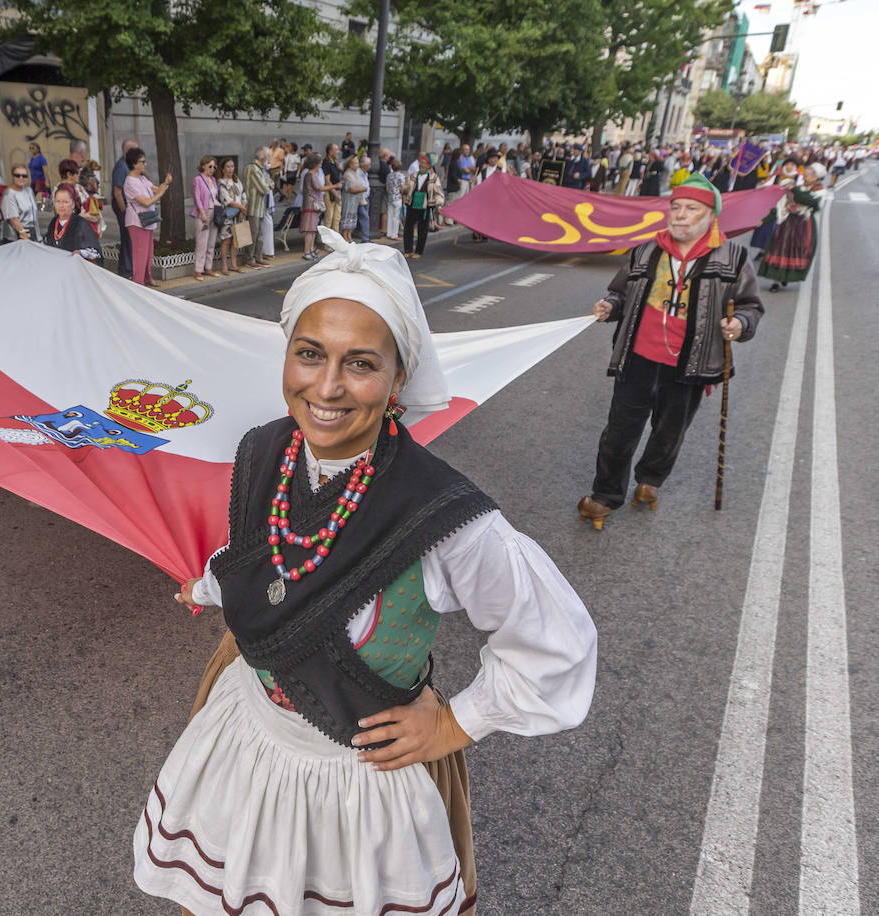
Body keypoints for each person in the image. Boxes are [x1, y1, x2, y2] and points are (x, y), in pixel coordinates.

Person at [135, 226, 597, 916]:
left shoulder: (442, 515)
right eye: (310, 354)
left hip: (357, 782)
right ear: (286, 354)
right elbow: (260, 556)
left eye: (360, 364)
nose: (327, 387)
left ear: (397, 376)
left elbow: (558, 642)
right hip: (249, 734)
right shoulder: (265, 449)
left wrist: (458, 721)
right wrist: (205, 585)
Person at [578, 174, 763, 529]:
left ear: (711, 216)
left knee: (669, 430)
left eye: (691, 209)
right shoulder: (646, 251)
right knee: (619, 430)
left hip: (690, 365)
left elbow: (750, 307)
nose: (679, 215)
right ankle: (604, 497)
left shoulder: (735, 258)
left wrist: (739, 323)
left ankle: (649, 481)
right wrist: (609, 305)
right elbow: (620, 293)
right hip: (637, 359)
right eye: (675, 207)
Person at [758, 162, 825, 292]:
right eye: (806, 173)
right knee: (780, 249)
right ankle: (776, 281)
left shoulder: (820, 191)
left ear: (816, 178)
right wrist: (763, 220)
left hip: (804, 225)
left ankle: (786, 276)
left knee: (797, 250)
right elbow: (780, 206)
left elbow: (809, 201)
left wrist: (793, 189)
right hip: (787, 223)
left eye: (810, 174)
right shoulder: (796, 188)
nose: (806, 176)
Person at [123, 147, 172, 287]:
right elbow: (146, 202)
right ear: (134, 164)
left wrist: (166, 182)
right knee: (140, 253)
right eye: (142, 161)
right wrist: (160, 194)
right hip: (137, 221)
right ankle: (138, 283)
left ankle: (147, 277)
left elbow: (157, 189)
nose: (145, 164)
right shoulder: (130, 182)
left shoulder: (142, 178)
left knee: (148, 252)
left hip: (147, 220)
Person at [42, 185, 101, 261]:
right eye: (58, 201)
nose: (61, 205)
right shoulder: (53, 222)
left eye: (65, 202)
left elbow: (96, 251)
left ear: (73, 204)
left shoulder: (81, 223)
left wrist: (81, 252)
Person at [402, 155, 442, 259]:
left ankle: (419, 251)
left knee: (422, 229)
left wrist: (438, 203)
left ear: (429, 166)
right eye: (421, 163)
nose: (422, 165)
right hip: (412, 204)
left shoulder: (434, 178)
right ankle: (408, 250)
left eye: (425, 163)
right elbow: (407, 187)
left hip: (425, 206)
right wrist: (403, 189)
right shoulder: (413, 176)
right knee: (408, 228)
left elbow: (438, 192)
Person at [216, 157, 250, 273]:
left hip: (239, 215)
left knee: (236, 240)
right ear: (223, 168)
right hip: (228, 215)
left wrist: (242, 208)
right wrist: (242, 208)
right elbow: (227, 200)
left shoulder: (237, 181)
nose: (231, 169)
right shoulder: (221, 183)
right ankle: (224, 265)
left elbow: (244, 195)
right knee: (226, 240)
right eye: (228, 166)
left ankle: (234, 264)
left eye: (232, 166)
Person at [191, 156, 221, 281]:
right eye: (210, 166)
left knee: (211, 242)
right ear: (203, 166)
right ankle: (198, 270)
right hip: (203, 213)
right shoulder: (198, 179)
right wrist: (202, 212)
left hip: (214, 212)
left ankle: (208, 267)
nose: (212, 169)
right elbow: (197, 197)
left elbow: (215, 197)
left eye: (214, 167)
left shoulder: (213, 179)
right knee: (201, 242)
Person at [112, 138, 138, 279]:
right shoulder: (121, 167)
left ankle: (126, 268)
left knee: (129, 238)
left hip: (129, 208)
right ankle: (126, 270)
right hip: (124, 207)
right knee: (127, 237)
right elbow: (117, 192)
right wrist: (125, 211)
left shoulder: (129, 165)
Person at [244, 146, 273, 268]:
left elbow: (271, 183)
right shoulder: (253, 168)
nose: (269, 159)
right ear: (263, 157)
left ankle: (258, 257)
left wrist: (268, 184)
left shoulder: (260, 169)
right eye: (268, 156)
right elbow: (264, 188)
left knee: (260, 234)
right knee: (253, 233)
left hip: (261, 208)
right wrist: (268, 184)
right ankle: (249, 259)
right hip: (253, 207)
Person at [298, 152, 325, 261]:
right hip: (311, 205)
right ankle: (306, 251)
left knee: (313, 229)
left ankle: (310, 249)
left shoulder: (311, 174)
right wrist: (335, 186)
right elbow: (319, 188)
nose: (321, 162)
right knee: (310, 229)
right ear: (316, 163)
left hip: (312, 205)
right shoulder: (311, 175)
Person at [1, 164, 38, 242]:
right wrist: (23, 234)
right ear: (13, 177)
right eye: (17, 175)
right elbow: (13, 218)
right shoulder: (9, 194)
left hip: (32, 231)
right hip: (17, 235)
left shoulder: (29, 190)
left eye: (24, 176)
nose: (21, 178)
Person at [338, 155, 367, 242]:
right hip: (348, 200)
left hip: (355, 201)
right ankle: (345, 235)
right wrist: (363, 189)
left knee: (352, 218)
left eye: (357, 163)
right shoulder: (347, 174)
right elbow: (350, 189)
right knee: (346, 217)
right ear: (350, 164)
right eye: (355, 163)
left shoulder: (355, 173)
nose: (357, 165)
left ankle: (349, 235)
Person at [322, 144, 343, 233]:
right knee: (329, 218)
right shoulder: (326, 162)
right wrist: (335, 193)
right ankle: (326, 244)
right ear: (330, 152)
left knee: (337, 218)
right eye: (336, 150)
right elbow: (327, 181)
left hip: (337, 191)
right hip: (330, 192)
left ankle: (336, 241)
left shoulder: (334, 162)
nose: (338, 152)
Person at [385, 158, 406, 239]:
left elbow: (387, 188)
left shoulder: (389, 175)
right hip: (398, 197)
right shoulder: (401, 176)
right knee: (396, 217)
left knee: (390, 216)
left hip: (390, 197)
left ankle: (389, 233)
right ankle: (394, 234)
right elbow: (402, 188)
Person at [356, 154, 374, 242]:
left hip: (366, 198)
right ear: (365, 165)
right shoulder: (358, 173)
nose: (370, 166)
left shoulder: (365, 173)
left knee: (365, 217)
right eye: (369, 164)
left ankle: (365, 237)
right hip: (360, 198)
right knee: (365, 217)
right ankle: (365, 238)